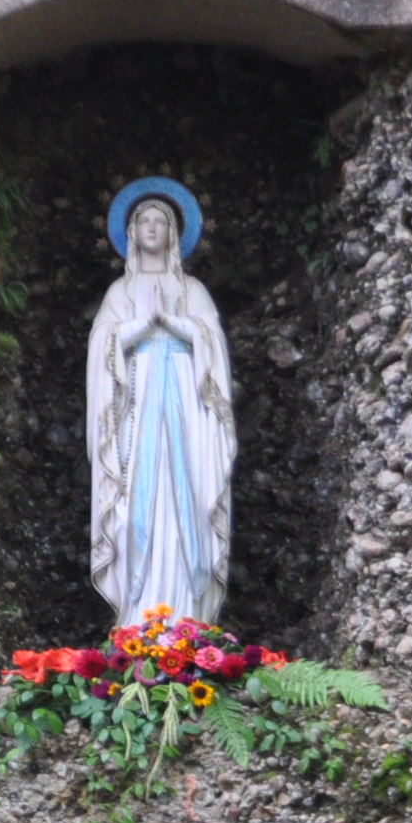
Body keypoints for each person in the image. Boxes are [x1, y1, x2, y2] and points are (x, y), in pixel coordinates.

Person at [85, 180, 235, 630]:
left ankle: (188, 623)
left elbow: (214, 348)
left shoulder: (193, 291)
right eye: (143, 221)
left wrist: (174, 323)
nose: (152, 228)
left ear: (174, 233)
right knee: (133, 508)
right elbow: (102, 349)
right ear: (130, 232)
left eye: (160, 222)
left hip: (187, 414)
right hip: (135, 412)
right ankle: (136, 622)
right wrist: (135, 330)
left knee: (187, 499)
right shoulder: (120, 292)